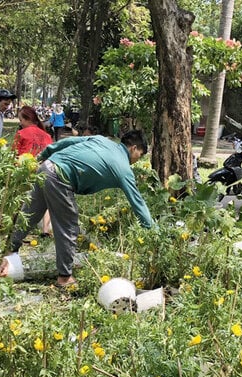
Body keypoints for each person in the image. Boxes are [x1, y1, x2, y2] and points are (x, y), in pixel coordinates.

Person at [10, 131, 154, 287]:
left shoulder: (101, 139)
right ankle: (64, 277)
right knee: (68, 226)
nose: (136, 161)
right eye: (139, 155)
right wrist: (154, 231)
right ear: (133, 148)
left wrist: (44, 155)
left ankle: (7, 253)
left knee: (30, 214)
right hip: (60, 177)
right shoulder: (124, 169)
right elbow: (138, 203)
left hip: (47, 166)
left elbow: (68, 142)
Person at [12, 105, 54, 236]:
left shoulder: (21, 134)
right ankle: (45, 230)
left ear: (27, 119)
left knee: (20, 199)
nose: (20, 123)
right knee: (46, 200)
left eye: (21, 120)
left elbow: (13, 154)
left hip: (25, 171)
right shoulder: (47, 136)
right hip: (44, 170)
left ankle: (16, 229)